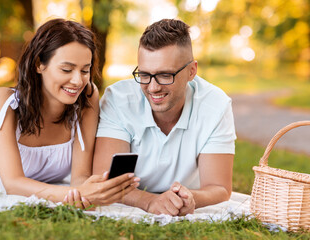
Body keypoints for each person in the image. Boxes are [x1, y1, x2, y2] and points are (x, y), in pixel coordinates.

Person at [0, 18, 139, 207]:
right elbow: (13, 183)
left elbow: (79, 178)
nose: (77, 81)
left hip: (45, 188)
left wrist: (93, 190)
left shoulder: (87, 97)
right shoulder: (4, 101)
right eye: (66, 69)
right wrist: (76, 193)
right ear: (39, 64)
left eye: (85, 70)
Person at [92, 19, 236, 216]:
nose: (153, 88)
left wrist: (190, 199)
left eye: (165, 75)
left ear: (191, 71)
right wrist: (149, 201)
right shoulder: (119, 100)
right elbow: (105, 179)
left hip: (185, 194)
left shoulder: (216, 105)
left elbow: (219, 187)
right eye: (144, 74)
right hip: (131, 201)